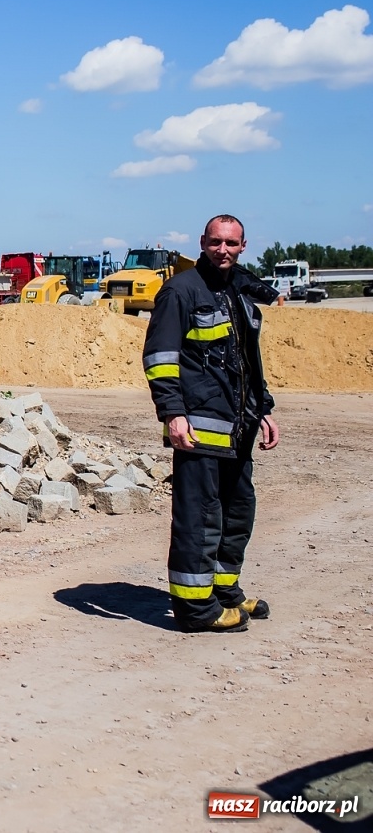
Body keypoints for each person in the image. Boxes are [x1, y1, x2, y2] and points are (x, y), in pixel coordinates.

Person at [143, 214, 280, 634]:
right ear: (202, 242)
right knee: (199, 518)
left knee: (237, 512)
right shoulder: (181, 291)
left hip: (238, 427)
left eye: (231, 243)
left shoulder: (237, 292)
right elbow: (159, 358)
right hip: (198, 428)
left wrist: (264, 408)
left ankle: (224, 592)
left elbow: (246, 361)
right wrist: (173, 413)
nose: (223, 250)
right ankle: (196, 610)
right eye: (216, 242)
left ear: (243, 246)